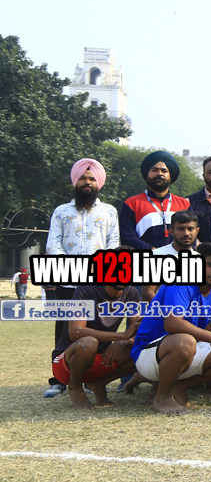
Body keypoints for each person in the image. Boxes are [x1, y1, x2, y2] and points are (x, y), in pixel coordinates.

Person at [128, 242, 211, 415]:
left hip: (183, 351)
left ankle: (179, 386)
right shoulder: (180, 282)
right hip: (148, 352)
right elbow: (173, 324)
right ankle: (162, 397)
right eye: (210, 265)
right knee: (185, 341)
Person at [45, 158, 121, 397]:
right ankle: (58, 381)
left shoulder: (109, 211)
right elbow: (53, 245)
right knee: (64, 330)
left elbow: (113, 245)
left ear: (99, 183)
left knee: (93, 329)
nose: (87, 182)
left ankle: (89, 378)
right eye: (83, 178)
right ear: (75, 181)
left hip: (98, 285)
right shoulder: (61, 211)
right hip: (68, 282)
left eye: (91, 179)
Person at [52, 261, 142, 409]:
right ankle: (75, 387)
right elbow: (75, 331)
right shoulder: (86, 288)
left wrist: (124, 342)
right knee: (89, 342)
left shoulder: (131, 292)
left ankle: (99, 383)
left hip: (101, 358)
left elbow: (138, 332)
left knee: (143, 350)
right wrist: (121, 336)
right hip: (68, 362)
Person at [119, 150, 190, 251]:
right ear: (147, 173)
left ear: (170, 175)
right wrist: (153, 251)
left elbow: (192, 234)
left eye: (164, 171)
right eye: (154, 170)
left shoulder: (184, 204)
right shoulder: (132, 204)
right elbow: (127, 236)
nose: (159, 174)